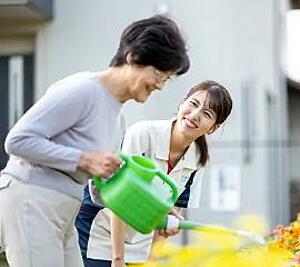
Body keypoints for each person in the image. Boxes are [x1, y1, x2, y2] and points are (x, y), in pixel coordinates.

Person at [0, 15, 189, 267]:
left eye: (165, 78)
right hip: (33, 199)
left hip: (66, 212)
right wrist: (84, 159)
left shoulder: (118, 118)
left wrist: (155, 209)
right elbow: (18, 140)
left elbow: (103, 190)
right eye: (158, 73)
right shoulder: (83, 90)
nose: (159, 84)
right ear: (132, 57)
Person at [75, 80, 233, 267]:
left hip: (140, 243)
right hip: (101, 232)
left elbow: (169, 215)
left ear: (213, 127)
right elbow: (118, 200)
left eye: (207, 114)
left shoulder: (198, 159)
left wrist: (154, 260)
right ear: (182, 102)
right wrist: (118, 260)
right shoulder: (143, 134)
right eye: (193, 104)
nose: (195, 115)